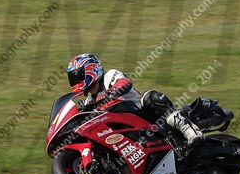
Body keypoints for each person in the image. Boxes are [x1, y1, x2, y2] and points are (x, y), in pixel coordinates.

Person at [66, 53, 203, 148]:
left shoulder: (109, 76)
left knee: (150, 97)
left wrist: (110, 93)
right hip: (125, 132)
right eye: (73, 77)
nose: (75, 80)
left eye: (77, 76)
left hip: (143, 114)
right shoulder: (90, 101)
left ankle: (190, 130)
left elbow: (125, 83)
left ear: (90, 69)